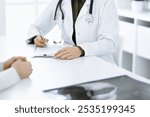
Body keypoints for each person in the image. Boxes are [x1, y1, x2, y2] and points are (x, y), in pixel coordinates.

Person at [27, 0, 119, 64]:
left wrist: (81, 50)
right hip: (70, 62)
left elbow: (110, 42)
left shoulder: (106, 2)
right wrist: (36, 37)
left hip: (100, 64)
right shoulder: (60, 2)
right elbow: (36, 27)